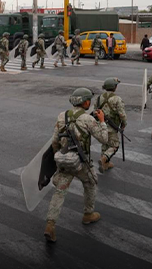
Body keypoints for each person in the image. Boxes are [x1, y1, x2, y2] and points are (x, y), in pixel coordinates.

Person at [44, 88, 108, 243]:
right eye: (89, 100)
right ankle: (88, 214)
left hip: (64, 160)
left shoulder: (62, 116)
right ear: (85, 102)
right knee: (91, 183)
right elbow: (104, 139)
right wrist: (102, 121)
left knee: (59, 192)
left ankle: (50, 225)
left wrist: (58, 158)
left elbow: (54, 141)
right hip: (81, 162)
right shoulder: (88, 119)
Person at [95, 78, 127, 171]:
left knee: (105, 144)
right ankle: (105, 158)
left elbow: (95, 111)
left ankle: (105, 163)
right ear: (115, 87)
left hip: (101, 125)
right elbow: (122, 114)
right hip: (112, 126)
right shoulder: (117, 99)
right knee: (114, 145)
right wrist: (124, 124)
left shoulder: (99, 98)